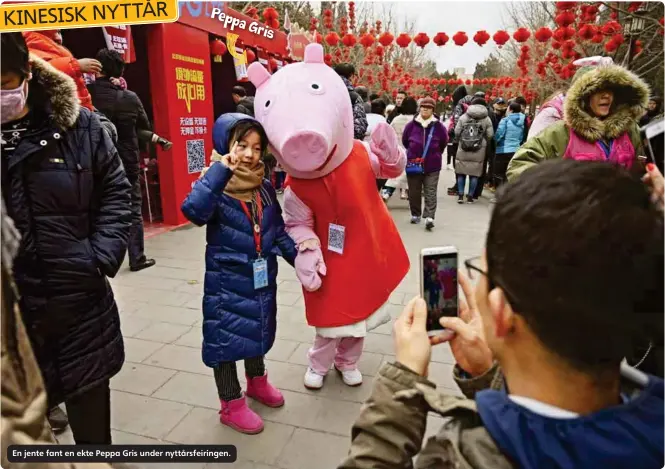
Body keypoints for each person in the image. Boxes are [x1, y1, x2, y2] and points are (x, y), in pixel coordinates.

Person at [338, 159, 664, 469]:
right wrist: (490, 375)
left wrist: (404, 380)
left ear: (501, 311)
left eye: (481, 269)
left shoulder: (460, 457)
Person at [1, 33, 131, 445]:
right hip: (12, 321)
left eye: (3, 82)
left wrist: (98, 257)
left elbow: (116, 190)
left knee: (94, 436)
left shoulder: (80, 126)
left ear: (26, 75)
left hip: (80, 307)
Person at [181, 114, 298, 435]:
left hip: (260, 279)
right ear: (225, 145)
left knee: (257, 329)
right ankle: (230, 404)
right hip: (226, 281)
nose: (249, 154)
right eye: (241, 145)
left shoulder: (262, 186)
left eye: (257, 148)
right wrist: (222, 169)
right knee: (226, 340)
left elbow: (277, 231)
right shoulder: (215, 183)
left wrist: (301, 261)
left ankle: (257, 381)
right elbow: (193, 211)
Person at [88, 48, 170, 272]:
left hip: (94, 162)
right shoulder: (130, 98)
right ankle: (137, 257)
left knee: (94, 206)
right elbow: (144, 128)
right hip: (127, 162)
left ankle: (97, 258)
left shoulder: (86, 95)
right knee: (133, 208)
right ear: (120, 70)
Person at [508, 63, 648, 181]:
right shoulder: (561, 132)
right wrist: (553, 194)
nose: (606, 95)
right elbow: (520, 164)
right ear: (583, 96)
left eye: (611, 90)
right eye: (598, 89)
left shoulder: (630, 131)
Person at [402, 96, 448, 230]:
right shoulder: (411, 125)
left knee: (430, 191)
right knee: (414, 191)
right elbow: (406, 141)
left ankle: (429, 216)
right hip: (414, 163)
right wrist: (413, 153)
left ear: (433, 110)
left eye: (428, 108)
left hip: (432, 164)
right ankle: (415, 214)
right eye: (423, 107)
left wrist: (435, 153)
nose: (425, 110)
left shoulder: (439, 126)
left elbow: (443, 142)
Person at [454, 97, 494, 204]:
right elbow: (490, 135)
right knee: (474, 173)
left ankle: (460, 195)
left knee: (461, 172)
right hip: (479, 148)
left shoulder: (464, 116)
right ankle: (470, 196)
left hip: (463, 146)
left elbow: (457, 132)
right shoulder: (486, 118)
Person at [382, 96, 418, 201]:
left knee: (396, 174)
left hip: (398, 151)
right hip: (413, 152)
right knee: (411, 175)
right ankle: (410, 195)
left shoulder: (396, 119)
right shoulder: (416, 120)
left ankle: (386, 192)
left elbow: (389, 134)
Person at [447, 85, 474, 196]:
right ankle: (472, 191)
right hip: (472, 137)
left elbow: (457, 122)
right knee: (470, 163)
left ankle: (458, 187)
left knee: (457, 163)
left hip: (458, 139)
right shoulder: (473, 104)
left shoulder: (459, 105)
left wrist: (451, 131)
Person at [493, 102, 526, 189]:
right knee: (510, 173)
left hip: (503, 150)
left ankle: (499, 194)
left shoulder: (505, 120)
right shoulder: (522, 121)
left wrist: (495, 140)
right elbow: (521, 136)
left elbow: (499, 134)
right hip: (515, 150)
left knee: (499, 173)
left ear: (510, 110)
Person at [333, 63, 368, 140]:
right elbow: (359, 127)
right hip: (345, 144)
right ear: (351, 76)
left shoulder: (324, 92)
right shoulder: (354, 97)